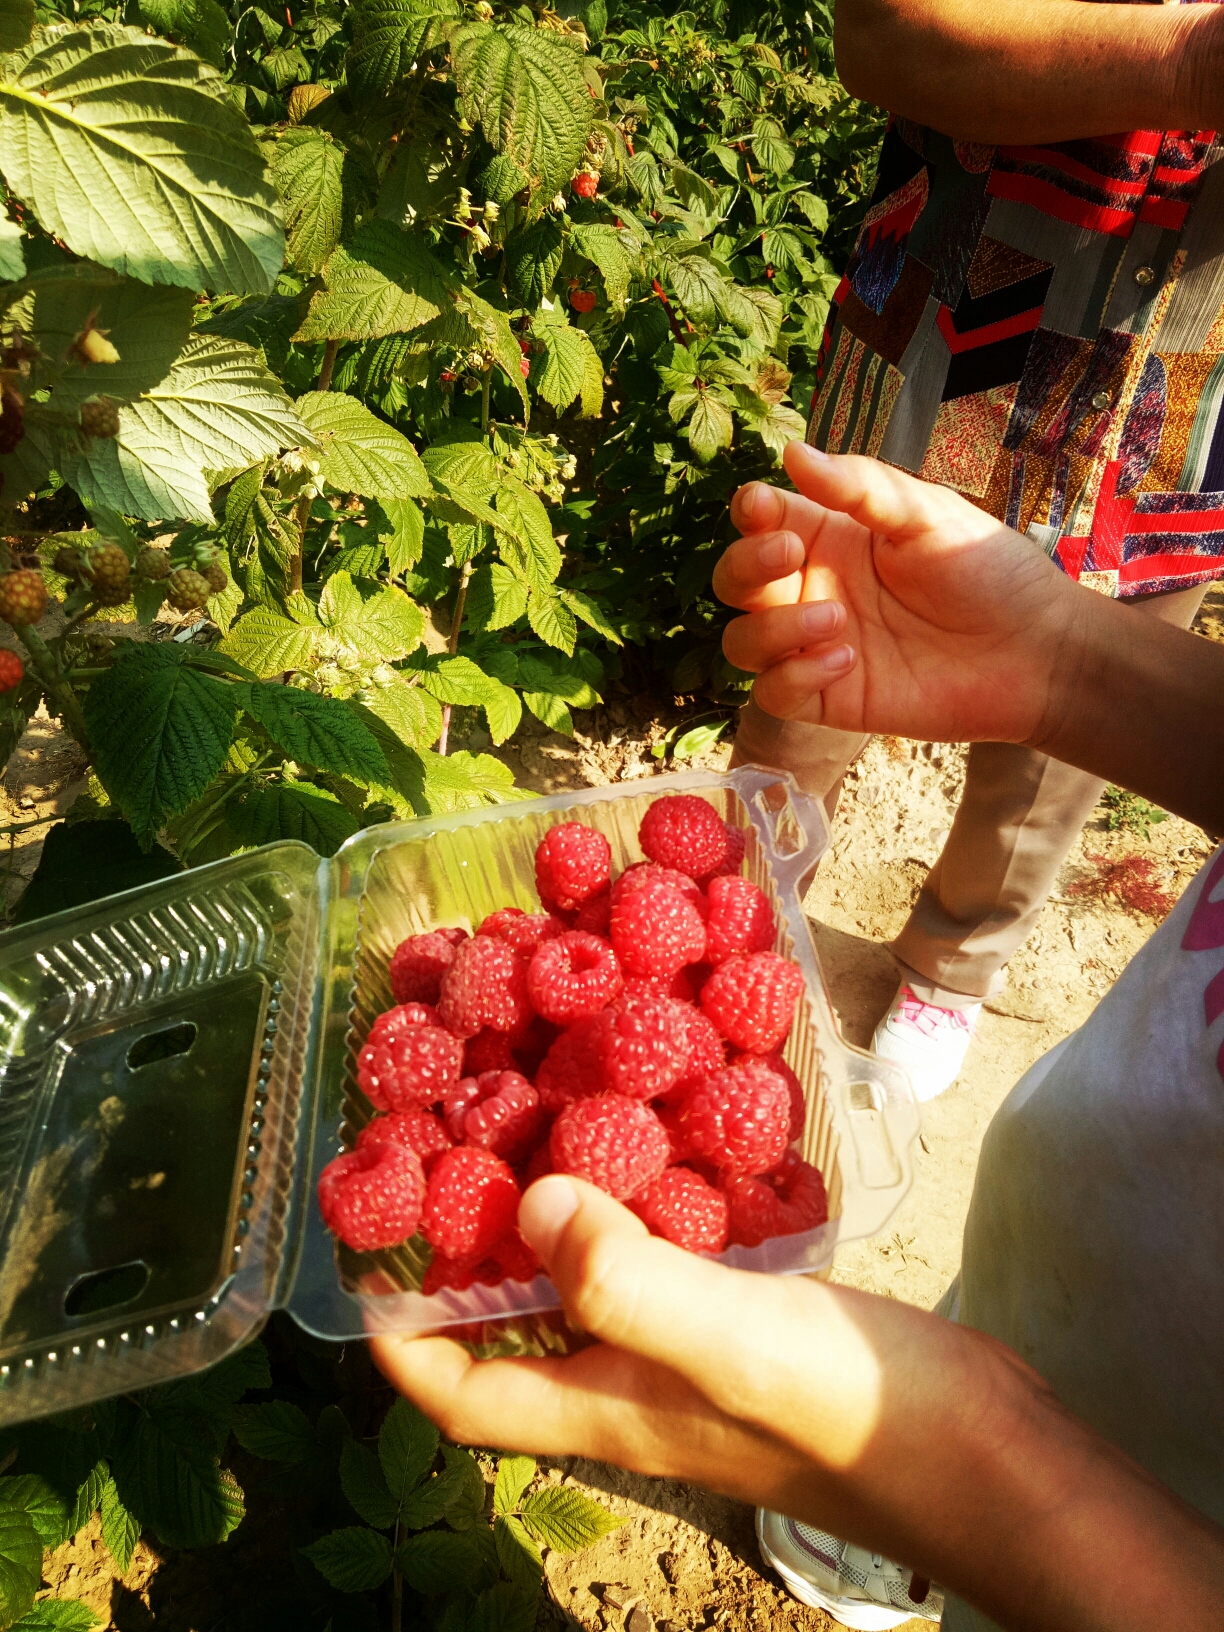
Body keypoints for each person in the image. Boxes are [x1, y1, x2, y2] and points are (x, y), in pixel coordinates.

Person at [372, 446, 1224, 1632]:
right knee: (1028, 1296)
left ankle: (928, 1534)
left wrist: (977, 1477)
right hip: (1100, 1181)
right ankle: (952, 1456)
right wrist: (1066, 659)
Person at [730, 0, 1224, 1100]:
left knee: (1092, 691)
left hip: (1192, 366)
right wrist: (1188, 60)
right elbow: (880, 33)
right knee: (836, 636)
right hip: (962, 308)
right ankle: (724, 907)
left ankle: (952, 965)